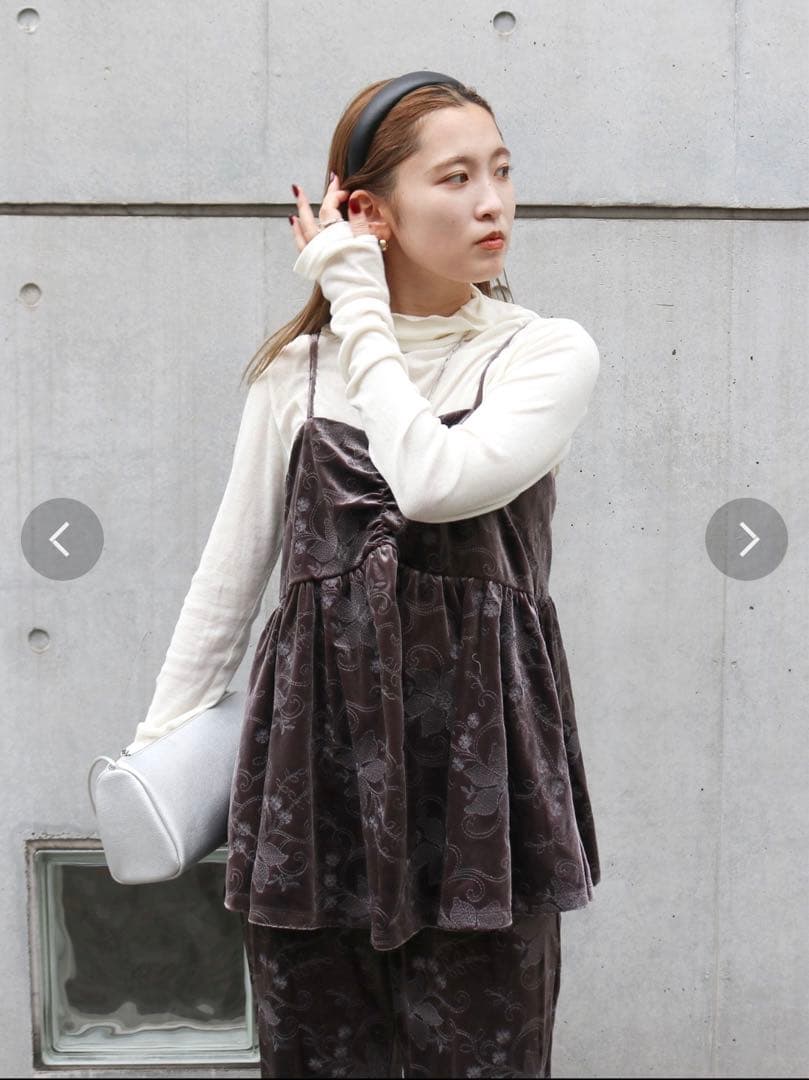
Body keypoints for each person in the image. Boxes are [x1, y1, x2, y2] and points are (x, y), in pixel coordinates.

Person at [127, 72, 602, 1078]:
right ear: (369, 211)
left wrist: (354, 302)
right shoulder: (293, 374)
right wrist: (153, 762)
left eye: (501, 172)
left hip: (480, 770)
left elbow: (432, 481)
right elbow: (229, 578)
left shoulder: (544, 354)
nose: (492, 203)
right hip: (313, 767)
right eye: (456, 178)